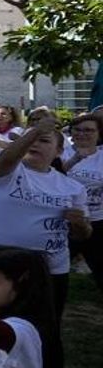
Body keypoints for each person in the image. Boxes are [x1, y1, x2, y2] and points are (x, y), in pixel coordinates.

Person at [0, 119, 88, 368]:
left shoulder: (70, 187)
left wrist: (79, 224)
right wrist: (31, 133)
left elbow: (83, 235)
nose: (36, 145)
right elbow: (6, 158)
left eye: (45, 141)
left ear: (57, 150)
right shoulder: (2, 172)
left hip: (49, 269)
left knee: (47, 333)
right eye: (31, 140)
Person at [61, 113, 103, 295]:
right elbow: (52, 176)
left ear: (98, 133)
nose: (82, 134)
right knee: (55, 271)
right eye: (77, 130)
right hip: (63, 222)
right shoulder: (61, 151)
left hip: (97, 220)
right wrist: (75, 159)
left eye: (89, 130)